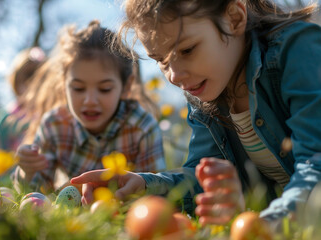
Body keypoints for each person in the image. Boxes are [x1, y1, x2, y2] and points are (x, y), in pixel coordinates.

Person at [71, 0, 321, 226]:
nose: (175, 76)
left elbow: (316, 165)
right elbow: (200, 180)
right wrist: (145, 186)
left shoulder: (297, 50)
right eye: (162, 60)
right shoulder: (206, 92)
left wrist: (265, 224)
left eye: (187, 50)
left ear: (234, 18)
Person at [12, 20, 166, 193]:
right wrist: (27, 171)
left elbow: (155, 192)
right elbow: (36, 193)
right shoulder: (54, 125)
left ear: (126, 87)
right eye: (78, 88)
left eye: (104, 89)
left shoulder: (142, 128)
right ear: (63, 85)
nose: (90, 100)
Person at [0, 47, 45, 184]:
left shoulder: (49, 118)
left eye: (39, 78)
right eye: (27, 76)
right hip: (2, 182)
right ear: (16, 79)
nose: (31, 84)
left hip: (38, 184)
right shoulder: (6, 116)